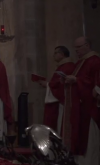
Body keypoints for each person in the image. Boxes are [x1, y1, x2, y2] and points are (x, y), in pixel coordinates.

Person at [63, 37, 100, 165]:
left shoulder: (95, 60)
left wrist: (76, 80)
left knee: (89, 139)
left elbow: (94, 83)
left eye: (78, 47)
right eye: (75, 47)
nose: (76, 50)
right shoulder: (80, 62)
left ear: (87, 45)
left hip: (89, 107)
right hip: (80, 106)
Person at [37, 46, 75, 133]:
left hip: (63, 102)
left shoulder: (67, 66)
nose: (53, 55)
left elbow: (60, 85)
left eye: (55, 53)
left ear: (61, 54)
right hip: (60, 101)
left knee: (61, 124)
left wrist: (47, 84)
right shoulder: (63, 66)